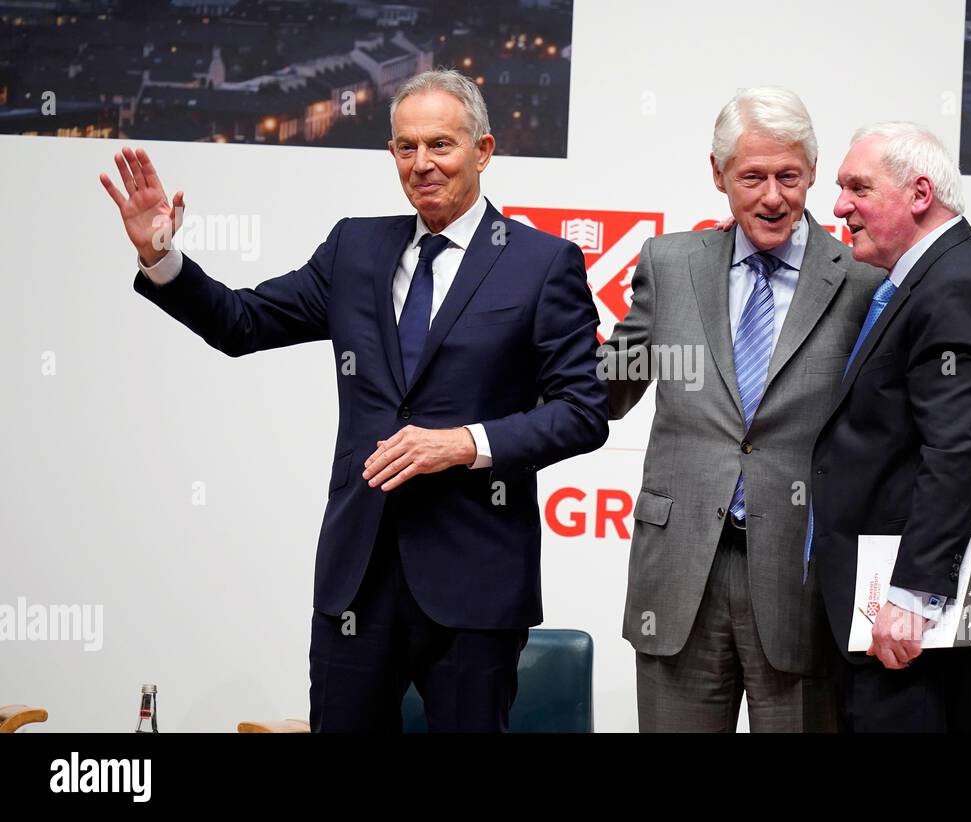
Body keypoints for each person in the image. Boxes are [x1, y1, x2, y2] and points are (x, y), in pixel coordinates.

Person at [98, 69, 608, 732]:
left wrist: (465, 444)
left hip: (475, 585)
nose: (421, 164)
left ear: (483, 151)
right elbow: (241, 323)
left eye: (441, 146)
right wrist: (162, 256)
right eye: (405, 147)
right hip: (355, 583)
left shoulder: (542, 263)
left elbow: (582, 411)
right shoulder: (355, 249)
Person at [602, 90, 971, 732]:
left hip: (806, 586)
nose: (773, 197)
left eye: (789, 177)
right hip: (679, 579)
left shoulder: (868, 275)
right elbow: (609, 385)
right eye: (752, 178)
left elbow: (943, 393)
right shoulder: (673, 262)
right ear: (718, 176)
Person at [809, 122, 971, 733]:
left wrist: (913, 597)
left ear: (919, 194)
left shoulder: (955, 280)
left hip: (913, 622)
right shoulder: (926, 274)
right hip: (892, 610)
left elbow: (956, 452)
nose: (839, 206)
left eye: (857, 188)